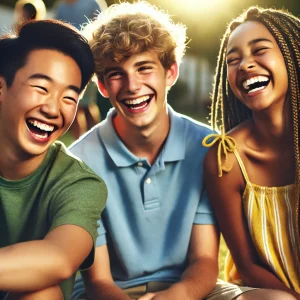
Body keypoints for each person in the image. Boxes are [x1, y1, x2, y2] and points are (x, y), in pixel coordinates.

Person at [69, 2, 274, 300]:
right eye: (116, 73)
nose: (132, 85)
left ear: (171, 72)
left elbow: (204, 261)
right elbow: (98, 281)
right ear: (101, 86)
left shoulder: (208, 148)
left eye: (144, 68)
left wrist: (174, 297)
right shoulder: (81, 161)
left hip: (189, 290)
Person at [0, 20, 107, 300]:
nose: (52, 109)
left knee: (42, 292)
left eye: (69, 98)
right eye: (41, 88)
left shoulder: (80, 184)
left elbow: (60, 258)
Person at [203, 6, 300, 300]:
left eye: (260, 50)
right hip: (267, 293)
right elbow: (246, 265)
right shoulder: (226, 159)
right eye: (233, 60)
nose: (245, 65)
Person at [54, 0, 102, 140]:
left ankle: (98, 141)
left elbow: (101, 28)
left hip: (88, 58)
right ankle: (79, 143)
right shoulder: (61, 6)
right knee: (73, 103)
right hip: (67, 61)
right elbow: (56, 29)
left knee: (87, 105)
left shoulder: (92, 3)